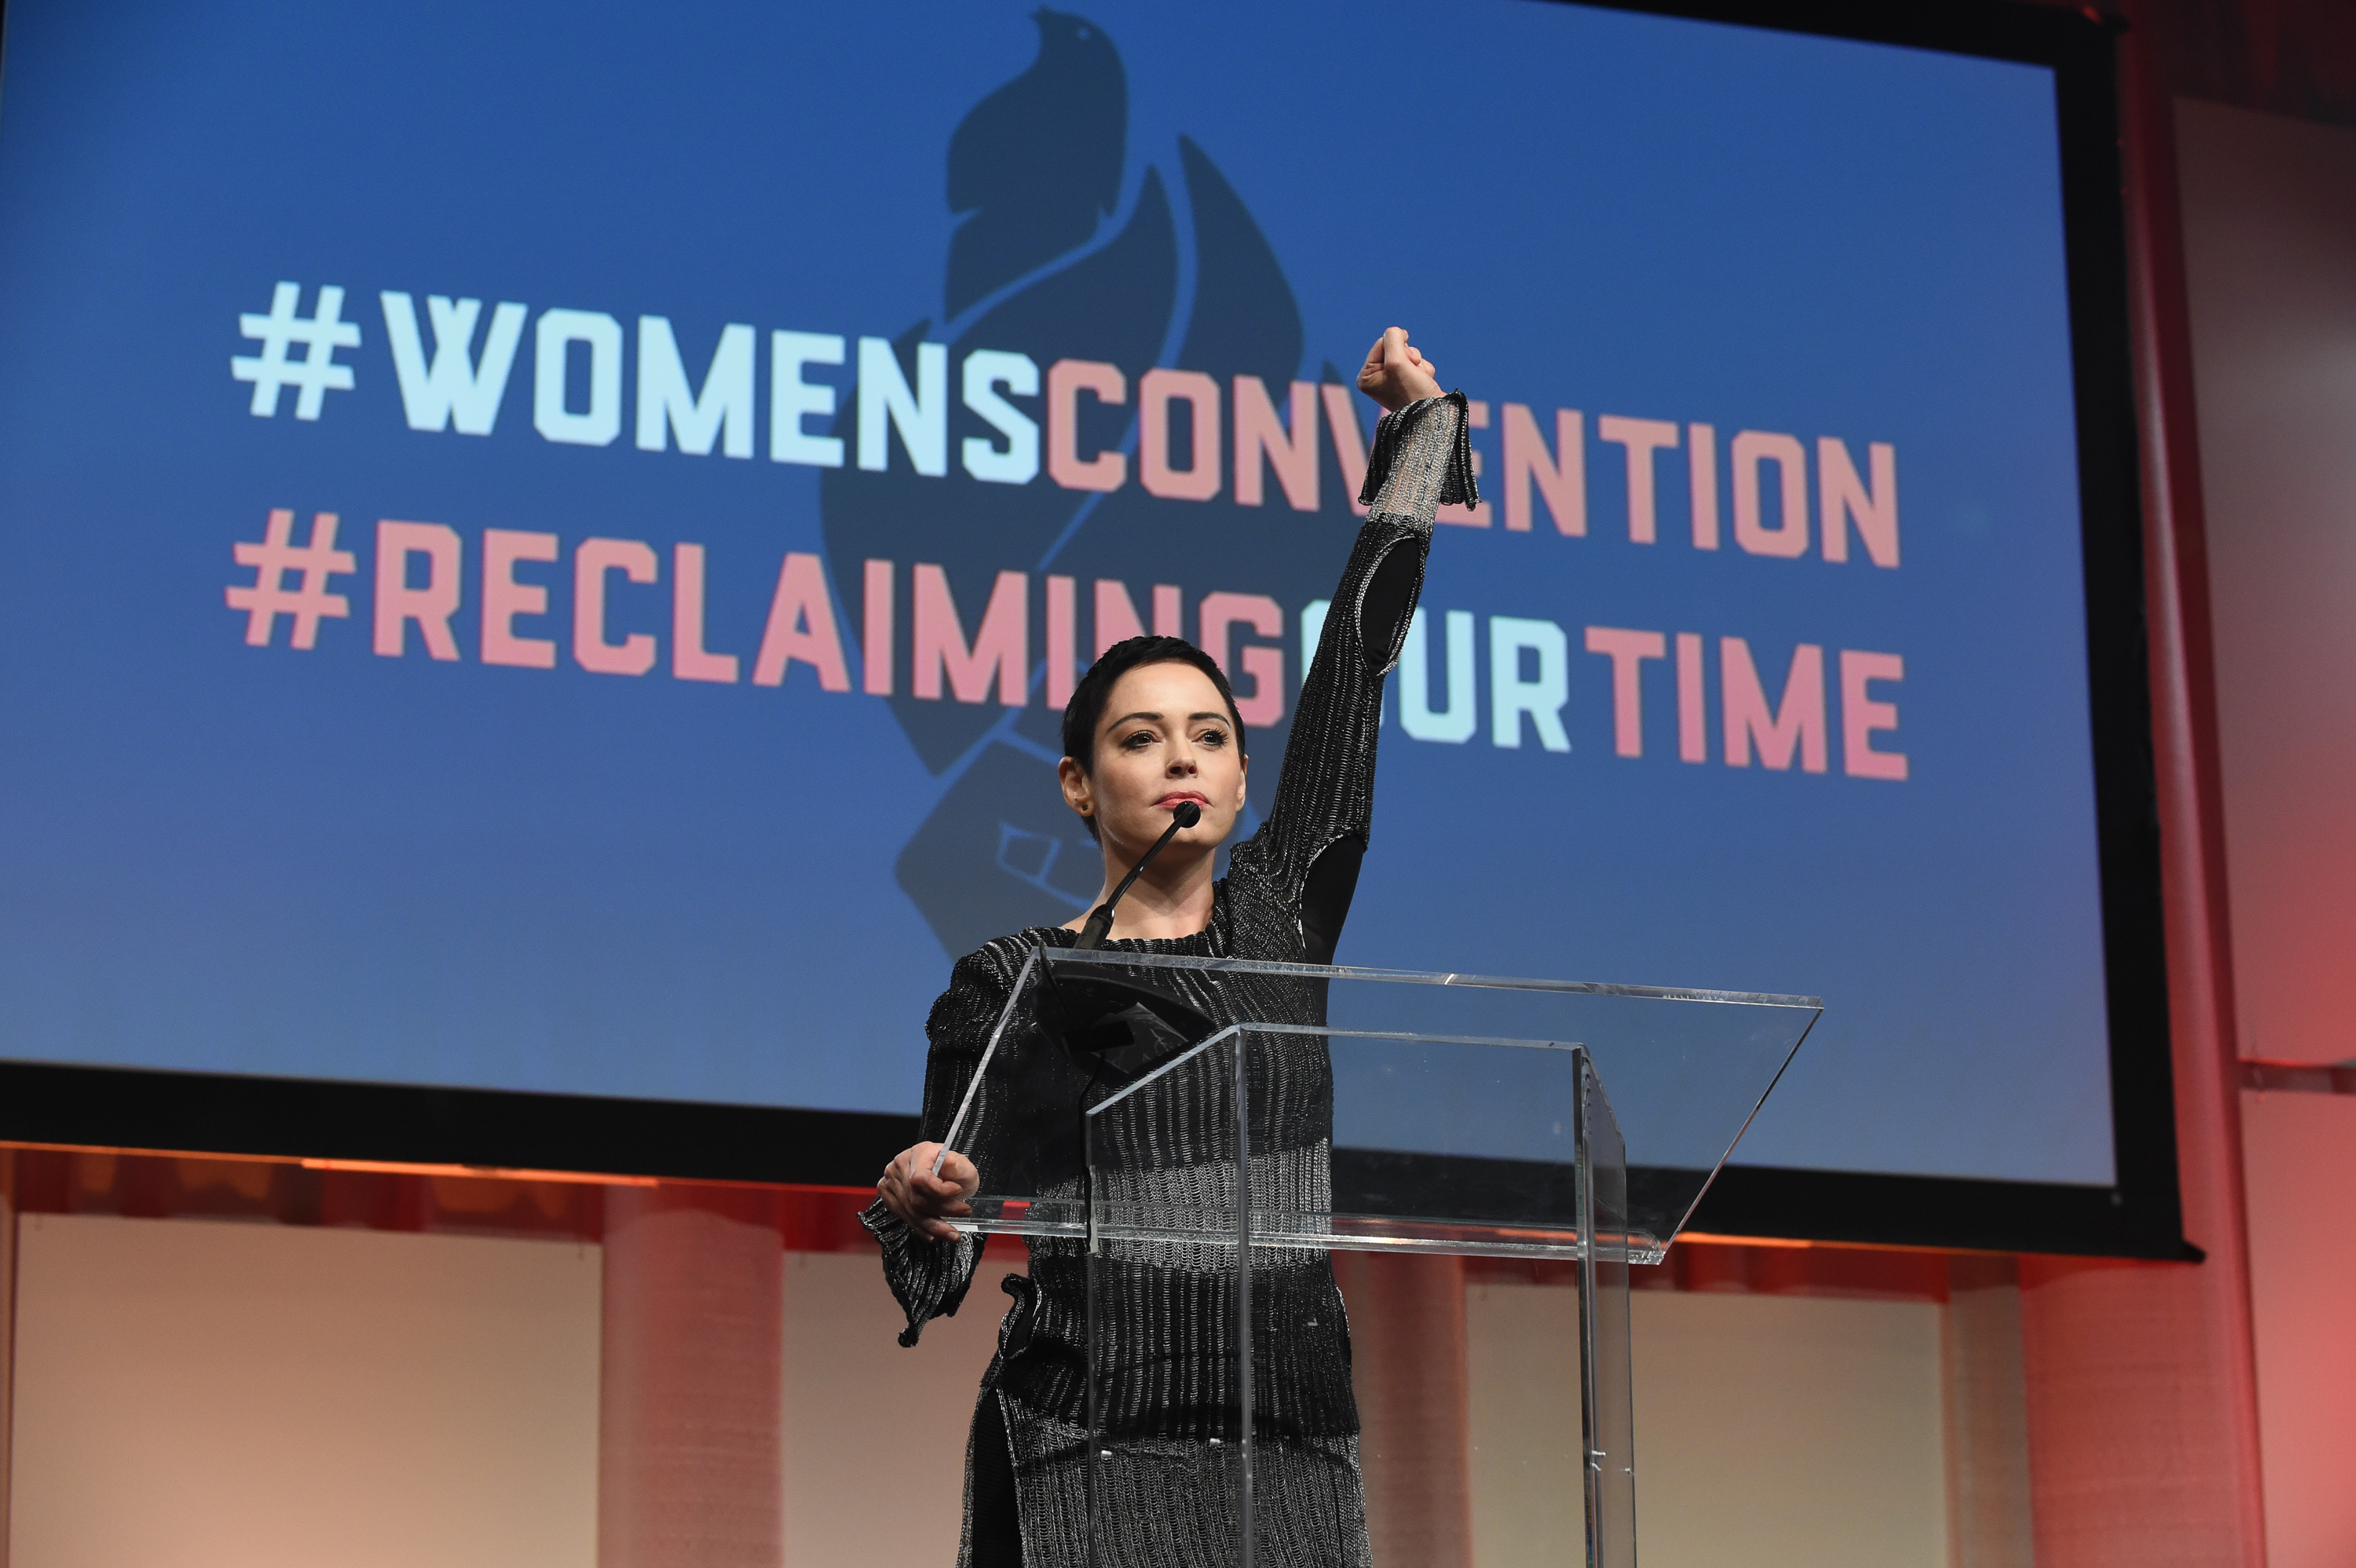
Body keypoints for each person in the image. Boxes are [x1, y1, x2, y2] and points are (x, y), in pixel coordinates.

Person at [866, 327, 1475, 1568]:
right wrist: (920, 1207)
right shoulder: (1012, 977)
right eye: (1142, 738)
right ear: (1081, 786)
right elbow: (952, 1214)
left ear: (1247, 775)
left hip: (1289, 1448)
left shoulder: (1283, 917)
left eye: (1209, 733)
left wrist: (1417, 444)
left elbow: (1353, 672)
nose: (1182, 755)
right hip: (1079, 1442)